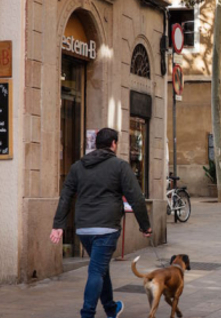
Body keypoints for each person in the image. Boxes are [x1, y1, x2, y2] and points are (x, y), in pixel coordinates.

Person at [51, 128, 152, 318]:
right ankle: (87, 313)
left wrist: (58, 225)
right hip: (107, 228)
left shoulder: (77, 167)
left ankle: (111, 309)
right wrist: (145, 226)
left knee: (100, 267)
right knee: (96, 270)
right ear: (114, 144)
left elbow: (66, 196)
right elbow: (136, 198)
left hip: (84, 229)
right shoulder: (120, 166)